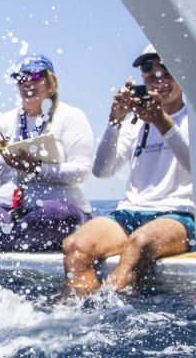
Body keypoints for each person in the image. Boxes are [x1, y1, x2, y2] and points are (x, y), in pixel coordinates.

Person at [0, 54, 95, 276]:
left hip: (60, 210)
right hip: (15, 214)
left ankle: (0, 240)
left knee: (54, 213)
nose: (27, 82)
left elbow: (82, 172)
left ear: (50, 80)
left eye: (34, 75)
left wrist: (37, 167)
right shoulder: (5, 120)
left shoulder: (71, 116)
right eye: (20, 77)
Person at [63, 45, 193, 295]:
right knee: (75, 246)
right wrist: (115, 121)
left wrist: (161, 121)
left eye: (167, 71)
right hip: (129, 213)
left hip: (178, 214)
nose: (159, 78)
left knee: (139, 243)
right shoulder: (135, 124)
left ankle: (105, 317)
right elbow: (102, 171)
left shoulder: (191, 116)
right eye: (149, 70)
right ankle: (77, 322)